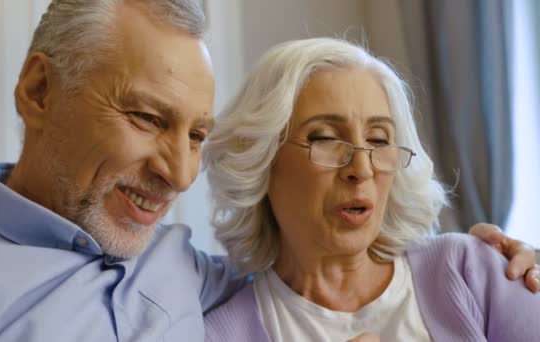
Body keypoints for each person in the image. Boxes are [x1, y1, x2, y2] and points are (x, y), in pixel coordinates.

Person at [0, 1, 536, 341]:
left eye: (197, 135)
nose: (179, 173)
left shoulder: (186, 269)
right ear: (40, 90)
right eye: (146, 117)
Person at [203, 37, 540, 341]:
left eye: (379, 140)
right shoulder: (221, 332)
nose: (361, 169)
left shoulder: (472, 269)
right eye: (325, 138)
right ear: (261, 158)